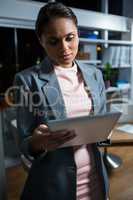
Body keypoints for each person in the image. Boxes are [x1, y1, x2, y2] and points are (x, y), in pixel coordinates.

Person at [14, 2, 109, 200]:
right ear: (41, 41)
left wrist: (103, 132)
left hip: (95, 180)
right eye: (54, 41)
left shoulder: (95, 74)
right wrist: (38, 142)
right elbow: (24, 143)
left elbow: (101, 126)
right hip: (54, 186)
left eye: (70, 38)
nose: (65, 48)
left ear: (77, 33)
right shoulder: (27, 80)